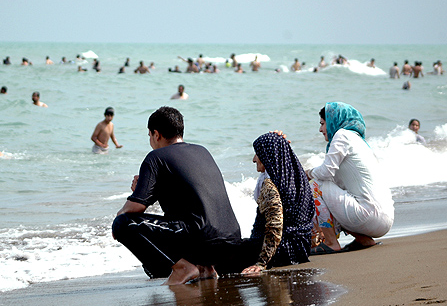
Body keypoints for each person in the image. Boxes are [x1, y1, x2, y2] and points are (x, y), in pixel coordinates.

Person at [112, 106, 242, 285]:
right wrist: (143, 191)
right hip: (231, 242)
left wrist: (119, 216)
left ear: (156, 134)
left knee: (123, 224)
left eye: (149, 136)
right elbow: (188, 196)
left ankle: (184, 268)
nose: (150, 140)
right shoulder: (202, 151)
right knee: (166, 251)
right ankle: (206, 268)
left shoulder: (156, 157)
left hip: (202, 239)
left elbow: (136, 208)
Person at [306, 102, 394, 254]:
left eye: (322, 124)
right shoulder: (358, 140)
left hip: (369, 216)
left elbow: (326, 172)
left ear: (334, 120)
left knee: (315, 185)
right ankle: (363, 239)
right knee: (331, 190)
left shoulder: (341, 135)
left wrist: (306, 173)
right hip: (384, 220)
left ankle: (331, 242)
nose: (320, 129)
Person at [239, 132, 314, 275]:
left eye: (257, 154)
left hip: (281, 252)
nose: (254, 159)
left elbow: (275, 225)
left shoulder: (270, 185)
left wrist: (262, 263)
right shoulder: (296, 179)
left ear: (268, 156)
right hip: (301, 249)